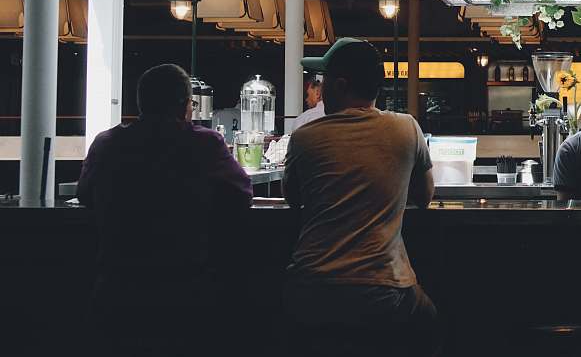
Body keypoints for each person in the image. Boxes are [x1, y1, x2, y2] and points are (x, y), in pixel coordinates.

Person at [78, 63, 252, 357]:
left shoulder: (107, 144)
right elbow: (241, 194)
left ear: (140, 102)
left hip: (116, 289)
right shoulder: (203, 143)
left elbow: (84, 194)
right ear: (185, 105)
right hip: (184, 291)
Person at [283, 38, 439, 356]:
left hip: (311, 290)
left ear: (340, 85)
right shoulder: (407, 128)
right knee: (433, 326)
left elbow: (292, 198)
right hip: (383, 292)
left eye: (322, 81)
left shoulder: (304, 138)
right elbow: (424, 196)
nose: (318, 89)